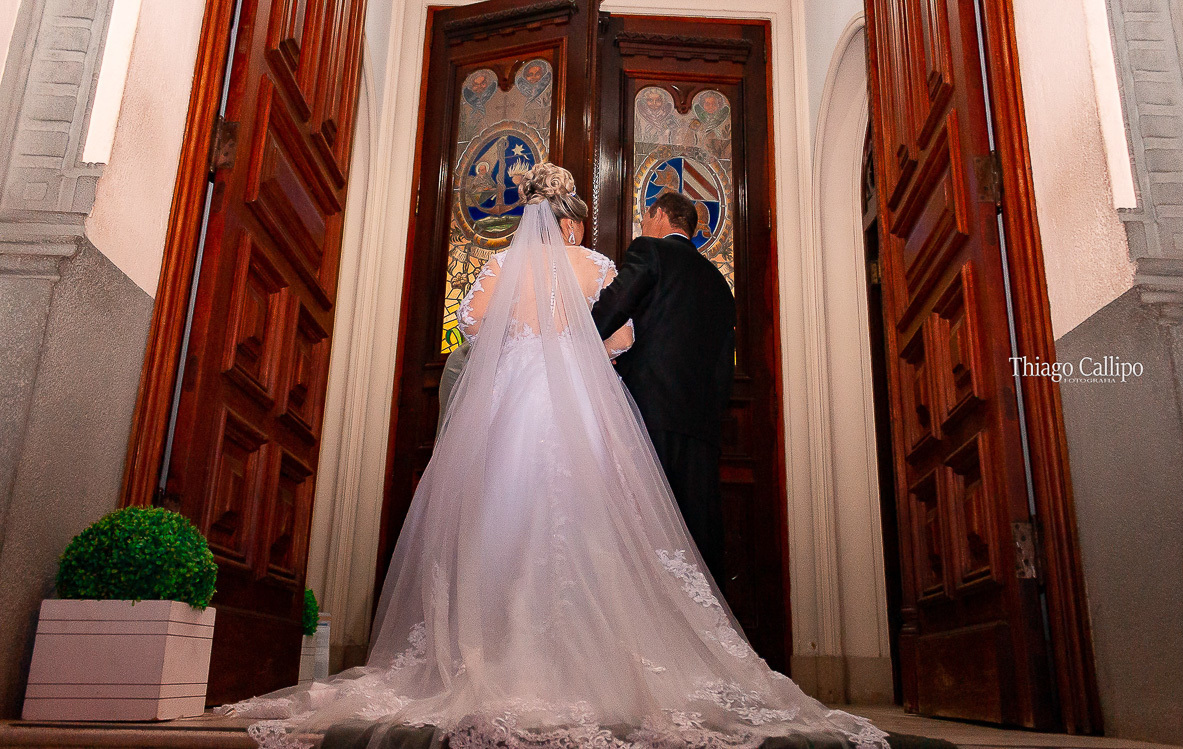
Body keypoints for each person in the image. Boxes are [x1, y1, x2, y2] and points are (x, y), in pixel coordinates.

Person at [221, 163, 887, 749]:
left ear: (528, 214)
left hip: (511, 400)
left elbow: (473, 324)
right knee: (595, 524)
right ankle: (595, 656)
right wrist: (575, 343)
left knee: (503, 520)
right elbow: (620, 336)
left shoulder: (501, 266)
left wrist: (521, 333)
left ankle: (494, 649)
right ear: (570, 220)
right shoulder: (594, 265)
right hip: (578, 406)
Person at [591, 191, 735, 586]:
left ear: (659, 217)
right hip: (702, 427)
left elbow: (612, 308)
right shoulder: (719, 283)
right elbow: (725, 365)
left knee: (645, 530)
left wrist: (573, 343)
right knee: (696, 536)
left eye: (644, 217)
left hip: (649, 411)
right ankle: (703, 634)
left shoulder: (651, 252)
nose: (641, 225)